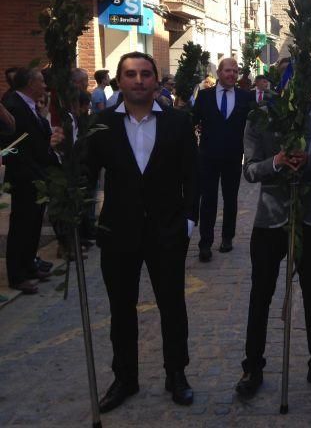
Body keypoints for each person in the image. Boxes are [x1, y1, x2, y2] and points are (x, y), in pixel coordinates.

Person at [86, 52, 198, 413]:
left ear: (155, 80)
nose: (138, 80)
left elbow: (193, 178)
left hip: (167, 230)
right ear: (119, 81)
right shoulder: (101, 124)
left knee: (172, 306)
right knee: (121, 309)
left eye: (146, 74)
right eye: (131, 74)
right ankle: (125, 378)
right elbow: (86, 175)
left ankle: (176, 373)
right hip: (119, 231)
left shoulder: (178, 123)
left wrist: (189, 222)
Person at [235, 60, 311, 401]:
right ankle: (253, 366)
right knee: (261, 295)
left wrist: (307, 162)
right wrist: (278, 162)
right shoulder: (259, 117)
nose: (300, 88)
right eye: (293, 81)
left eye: (307, 82)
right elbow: (250, 171)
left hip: (309, 217)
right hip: (270, 220)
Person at [2, 68, 63, 294]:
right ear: (29, 83)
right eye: (40, 81)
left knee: (34, 223)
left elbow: (39, 136)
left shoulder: (31, 104)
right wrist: (25, 167)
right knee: (21, 225)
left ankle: (29, 265)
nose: (44, 85)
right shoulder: (13, 104)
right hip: (25, 177)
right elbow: (10, 146)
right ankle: (17, 274)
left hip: (39, 174)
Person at [193, 58, 253, 261]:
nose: (232, 75)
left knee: (230, 199)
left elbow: (253, 126)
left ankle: (227, 237)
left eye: (235, 71)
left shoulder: (246, 97)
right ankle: (205, 243)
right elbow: (192, 121)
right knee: (208, 200)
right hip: (208, 157)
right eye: (228, 71)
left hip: (233, 156)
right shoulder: (204, 96)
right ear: (219, 73)